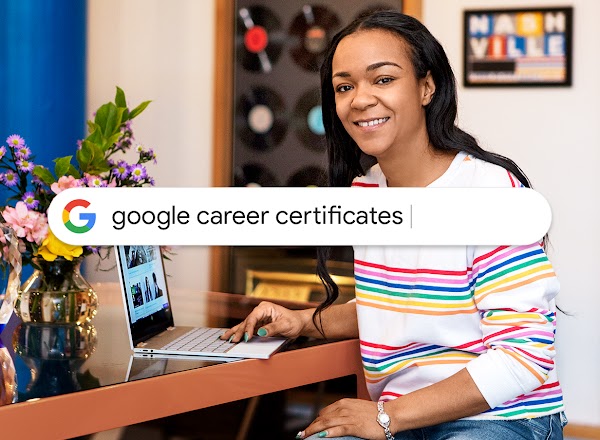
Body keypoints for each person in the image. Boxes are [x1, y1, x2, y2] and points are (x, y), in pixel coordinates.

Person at [222, 10, 566, 440]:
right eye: (344, 86)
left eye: (382, 79)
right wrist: (301, 321)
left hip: (500, 418)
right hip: (403, 418)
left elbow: (525, 356)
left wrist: (387, 417)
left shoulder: (488, 191)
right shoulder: (367, 194)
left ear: (427, 86)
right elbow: (395, 308)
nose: (360, 99)